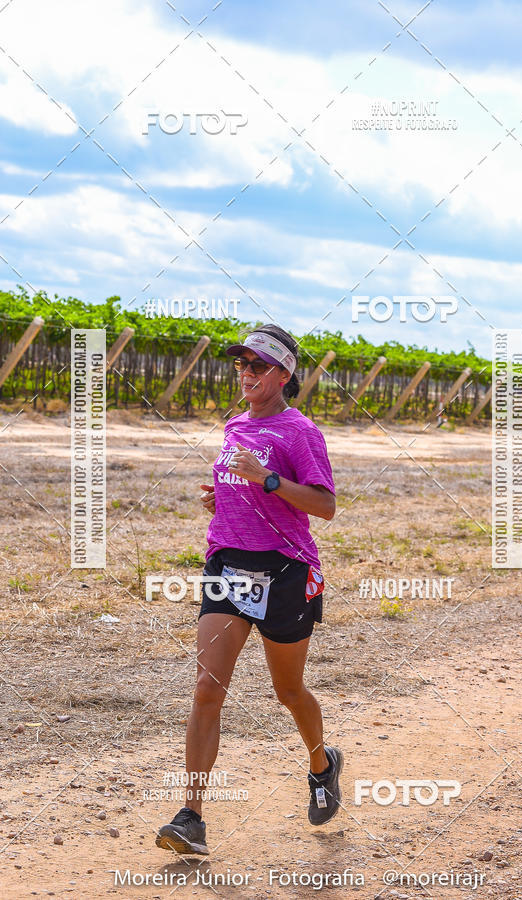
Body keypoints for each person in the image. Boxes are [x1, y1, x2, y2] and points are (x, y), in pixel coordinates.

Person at [156, 324, 342, 855]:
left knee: (288, 691)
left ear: (284, 373)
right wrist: (225, 496)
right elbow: (248, 487)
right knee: (207, 688)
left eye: (258, 366)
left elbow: (324, 506)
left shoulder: (300, 431)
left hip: (286, 573)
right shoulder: (235, 423)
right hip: (228, 567)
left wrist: (266, 479)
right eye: (241, 365)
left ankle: (322, 762)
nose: (247, 375)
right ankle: (190, 817)